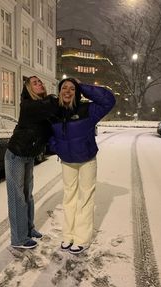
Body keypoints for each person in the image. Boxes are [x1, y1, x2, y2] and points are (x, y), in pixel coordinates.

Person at [49, 78, 116, 254]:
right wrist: (57, 148)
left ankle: (81, 238)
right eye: (64, 88)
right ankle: (68, 235)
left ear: (77, 92)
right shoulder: (54, 111)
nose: (68, 91)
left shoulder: (88, 109)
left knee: (85, 198)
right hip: (67, 161)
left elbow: (109, 100)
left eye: (72, 88)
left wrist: (83, 87)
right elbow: (48, 133)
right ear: (60, 91)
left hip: (87, 159)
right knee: (69, 198)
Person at [5, 76, 56, 249]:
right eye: (35, 83)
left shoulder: (42, 107)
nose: (40, 83)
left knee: (27, 195)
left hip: (28, 156)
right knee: (17, 197)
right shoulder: (28, 106)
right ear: (28, 89)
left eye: (40, 81)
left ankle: (28, 229)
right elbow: (49, 105)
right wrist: (56, 97)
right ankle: (19, 239)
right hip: (15, 155)